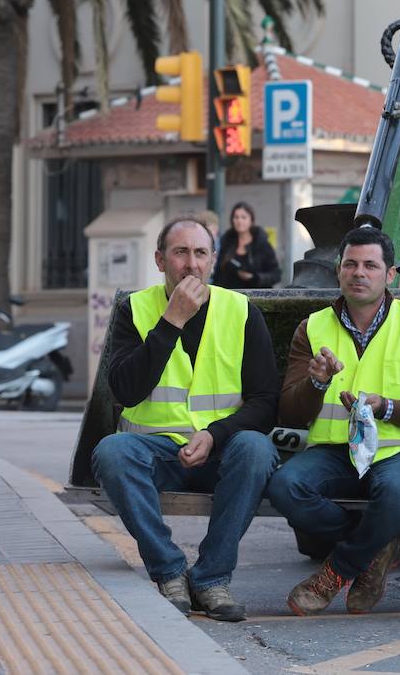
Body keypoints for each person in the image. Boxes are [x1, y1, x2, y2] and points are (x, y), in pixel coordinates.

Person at [91, 216, 279, 623]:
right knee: (112, 453)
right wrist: (171, 321)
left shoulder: (241, 311)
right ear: (160, 261)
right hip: (158, 453)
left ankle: (211, 579)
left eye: (199, 253)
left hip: (220, 451)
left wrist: (215, 434)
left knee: (256, 448)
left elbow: (266, 401)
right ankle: (170, 572)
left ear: (213, 260)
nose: (190, 264)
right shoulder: (135, 310)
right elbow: (124, 390)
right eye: (180, 253)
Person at [267, 226, 400, 616]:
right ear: (338, 271)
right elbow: (291, 412)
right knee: (285, 485)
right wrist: (316, 383)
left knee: (398, 494)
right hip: (336, 453)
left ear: (390, 275)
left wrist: (387, 407)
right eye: (350, 264)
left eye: (370, 265)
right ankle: (378, 547)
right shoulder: (312, 327)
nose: (358, 272)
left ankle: (334, 574)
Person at [211, 201, 281, 289]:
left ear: (251, 220)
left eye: (243, 217)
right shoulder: (226, 241)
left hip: (256, 296)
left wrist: (255, 278)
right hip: (229, 295)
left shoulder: (262, 243)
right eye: (236, 217)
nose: (239, 221)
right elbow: (218, 272)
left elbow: (276, 274)